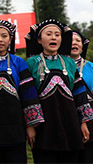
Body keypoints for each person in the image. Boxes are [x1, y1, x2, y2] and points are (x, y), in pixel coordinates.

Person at [0, 20, 44, 163]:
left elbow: (28, 94)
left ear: (10, 39)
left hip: (16, 128)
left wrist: (30, 126)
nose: (0, 40)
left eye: (4, 36)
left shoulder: (19, 62)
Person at [25, 19, 93, 163]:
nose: (53, 37)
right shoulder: (32, 63)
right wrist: (30, 125)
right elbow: (28, 94)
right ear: (39, 40)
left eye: (57, 34)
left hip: (69, 122)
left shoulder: (68, 62)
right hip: (44, 126)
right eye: (48, 34)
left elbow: (79, 93)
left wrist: (83, 122)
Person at [70, 30, 93, 163]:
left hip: (91, 120)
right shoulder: (59, 67)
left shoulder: (91, 67)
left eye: (78, 41)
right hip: (69, 118)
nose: (74, 43)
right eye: (71, 41)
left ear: (82, 45)